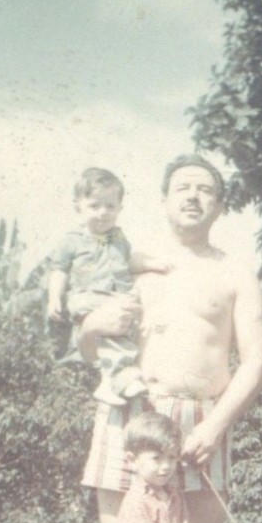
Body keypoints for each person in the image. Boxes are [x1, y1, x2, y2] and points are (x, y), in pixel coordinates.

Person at [66, 154, 262, 523]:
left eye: (206, 189)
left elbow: (255, 362)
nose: (193, 196)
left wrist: (215, 424)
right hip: (130, 413)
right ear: (163, 198)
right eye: (182, 187)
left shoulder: (234, 272)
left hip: (202, 422)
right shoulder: (127, 263)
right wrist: (90, 329)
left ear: (220, 205)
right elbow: (89, 346)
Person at [46, 167, 170, 406]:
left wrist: (153, 264)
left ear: (119, 209)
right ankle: (124, 377)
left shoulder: (118, 238)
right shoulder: (73, 240)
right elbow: (59, 269)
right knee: (115, 330)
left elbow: (128, 260)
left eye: (110, 206)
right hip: (88, 296)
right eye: (94, 206)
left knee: (124, 330)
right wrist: (54, 297)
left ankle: (108, 383)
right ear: (78, 207)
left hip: (116, 295)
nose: (103, 213)